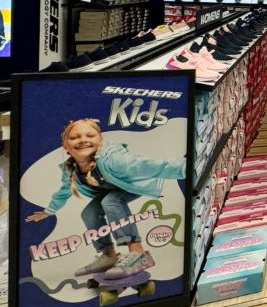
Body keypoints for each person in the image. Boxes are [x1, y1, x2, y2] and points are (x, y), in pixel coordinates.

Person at [26, 118, 185, 279]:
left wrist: (183, 167)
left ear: (100, 140)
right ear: (65, 145)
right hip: (112, 190)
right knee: (89, 213)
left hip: (133, 185)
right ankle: (109, 255)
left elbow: (145, 165)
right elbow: (64, 191)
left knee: (111, 202)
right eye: (74, 137)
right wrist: (49, 211)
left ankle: (139, 253)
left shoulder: (113, 159)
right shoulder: (71, 170)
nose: (83, 140)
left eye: (90, 135)